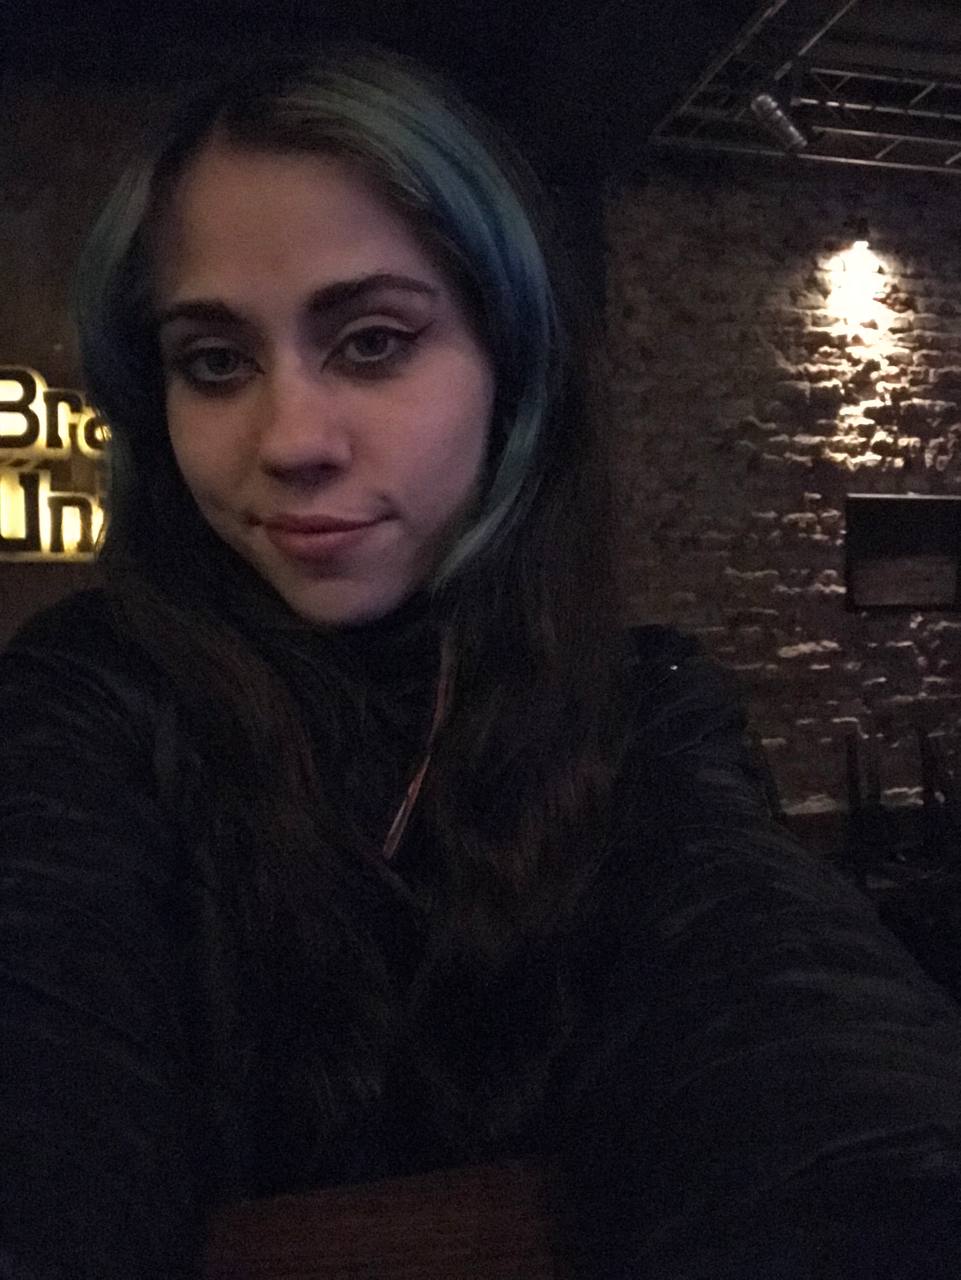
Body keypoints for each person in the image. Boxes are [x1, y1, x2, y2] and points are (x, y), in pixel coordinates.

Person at [3, 45, 961, 1280]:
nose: (290, 439)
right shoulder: (86, 704)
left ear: (509, 368)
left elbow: (786, 1019)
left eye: (372, 343)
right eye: (215, 362)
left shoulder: (639, 713)